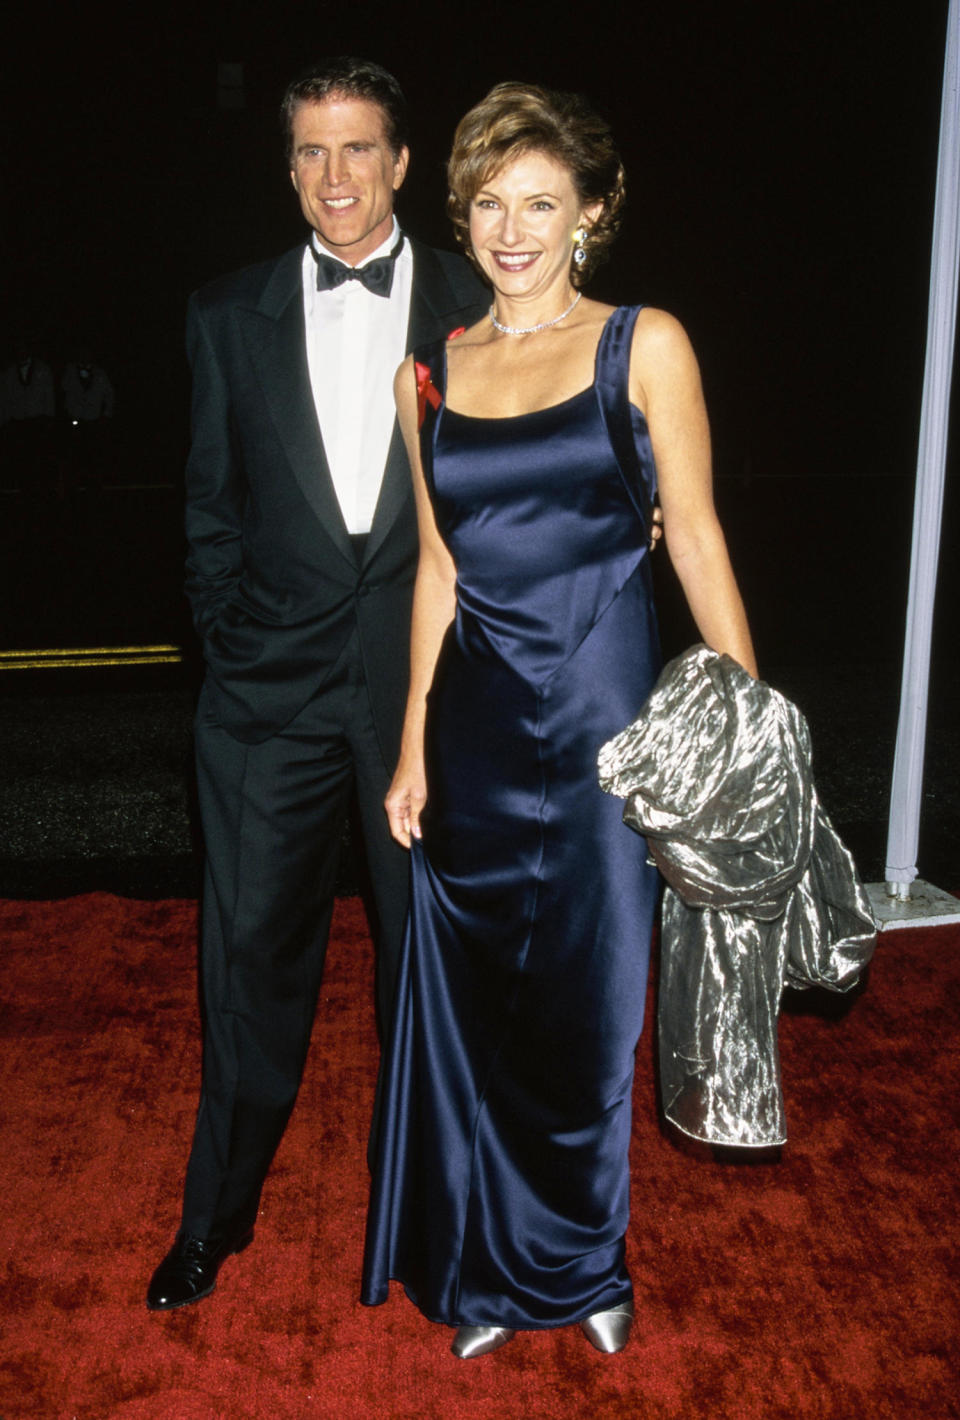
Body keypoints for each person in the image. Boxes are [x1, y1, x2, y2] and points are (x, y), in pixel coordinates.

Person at [361, 82, 757, 1358]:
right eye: (489, 204)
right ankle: (483, 1269)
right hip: (474, 722)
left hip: (604, 721)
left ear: (591, 211)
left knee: (592, 1011)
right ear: (463, 220)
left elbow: (692, 533)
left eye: (541, 203)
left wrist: (746, 716)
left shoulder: (646, 344)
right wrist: (417, 741)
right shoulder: (433, 373)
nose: (513, 229)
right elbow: (438, 571)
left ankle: (583, 1266)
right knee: (478, 1006)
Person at [146, 57, 488, 1312]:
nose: (335, 178)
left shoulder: (471, 300)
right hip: (264, 701)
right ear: (286, 167)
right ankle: (213, 1220)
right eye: (311, 153)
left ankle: (446, 1222)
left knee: (434, 969)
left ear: (403, 163)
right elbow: (209, 506)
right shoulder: (224, 311)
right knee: (245, 964)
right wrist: (233, 641)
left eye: (359, 151)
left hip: (427, 702)